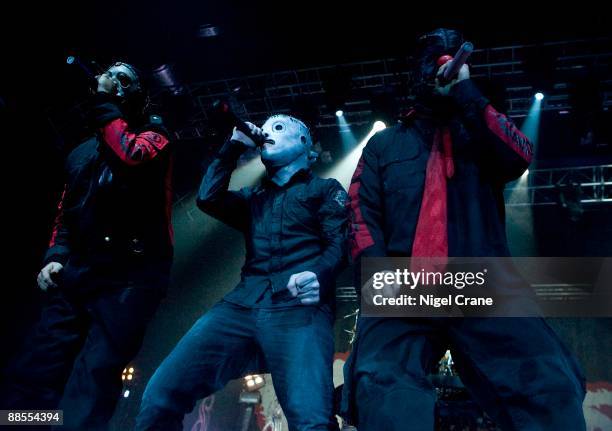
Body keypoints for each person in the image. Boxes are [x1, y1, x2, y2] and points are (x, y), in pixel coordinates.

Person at [341, 29, 586, 431]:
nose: (444, 63)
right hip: (401, 282)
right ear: (416, 74)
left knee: (547, 383)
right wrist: (379, 280)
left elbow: (518, 155)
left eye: (451, 56)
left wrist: (468, 93)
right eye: (433, 58)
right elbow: (358, 212)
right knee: (382, 387)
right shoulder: (384, 144)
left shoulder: (480, 131)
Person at [135, 114, 347, 431]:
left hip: (298, 309)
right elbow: (208, 197)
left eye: (278, 127)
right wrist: (233, 146)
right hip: (241, 304)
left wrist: (318, 273)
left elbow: (340, 241)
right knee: (159, 396)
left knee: (311, 421)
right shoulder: (253, 199)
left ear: (303, 142)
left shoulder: (324, 190)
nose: (267, 131)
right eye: (266, 126)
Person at [1, 62, 174, 430]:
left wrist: (103, 99)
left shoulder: (156, 137)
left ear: (135, 95)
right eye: (110, 75)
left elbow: (129, 158)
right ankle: (24, 426)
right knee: (37, 365)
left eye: (124, 79)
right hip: (80, 270)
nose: (112, 81)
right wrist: (56, 256)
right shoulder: (81, 153)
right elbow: (67, 213)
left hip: (131, 276)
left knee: (94, 374)